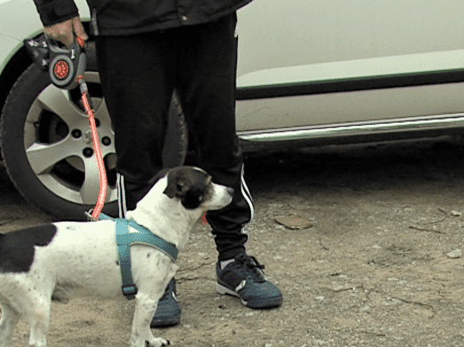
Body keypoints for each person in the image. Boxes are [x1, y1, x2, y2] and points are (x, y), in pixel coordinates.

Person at [31, 0, 283, 326]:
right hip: (128, 18)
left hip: (206, 14)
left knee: (218, 141)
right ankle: (152, 274)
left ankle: (233, 259)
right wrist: (56, 10)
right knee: (139, 151)